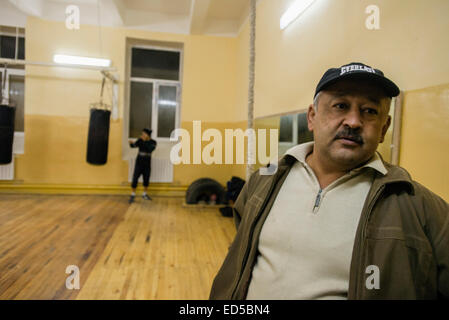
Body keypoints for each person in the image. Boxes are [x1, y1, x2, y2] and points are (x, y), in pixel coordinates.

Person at [209, 62, 449, 300]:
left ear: (384, 128)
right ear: (312, 117)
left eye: (369, 111)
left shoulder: (422, 209)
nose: (353, 122)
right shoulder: (263, 182)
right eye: (341, 106)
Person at [129, 128, 157, 203]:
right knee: (135, 178)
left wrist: (144, 141)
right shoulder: (140, 140)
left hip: (147, 164)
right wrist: (131, 143)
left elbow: (149, 149)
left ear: (148, 135)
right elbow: (133, 146)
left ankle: (144, 194)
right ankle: (133, 194)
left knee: (146, 179)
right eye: (142, 134)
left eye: (144, 134)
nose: (142, 135)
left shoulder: (153, 142)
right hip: (139, 163)